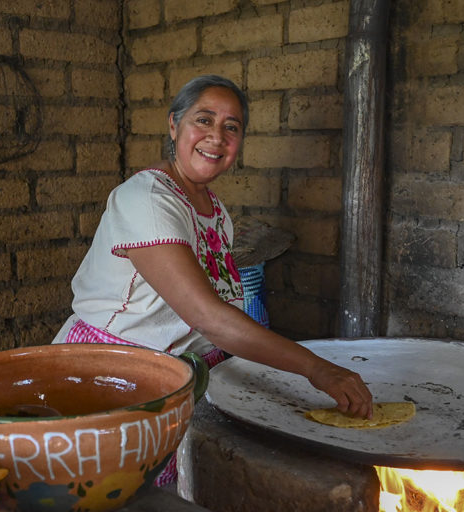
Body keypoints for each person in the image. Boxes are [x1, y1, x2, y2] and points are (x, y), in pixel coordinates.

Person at [52, 74, 373, 483]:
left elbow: (211, 319)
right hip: (113, 378)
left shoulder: (216, 213)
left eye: (231, 127)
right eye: (203, 120)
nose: (216, 137)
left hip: (174, 379)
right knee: (113, 496)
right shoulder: (147, 199)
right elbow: (208, 316)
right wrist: (316, 369)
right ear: (174, 125)